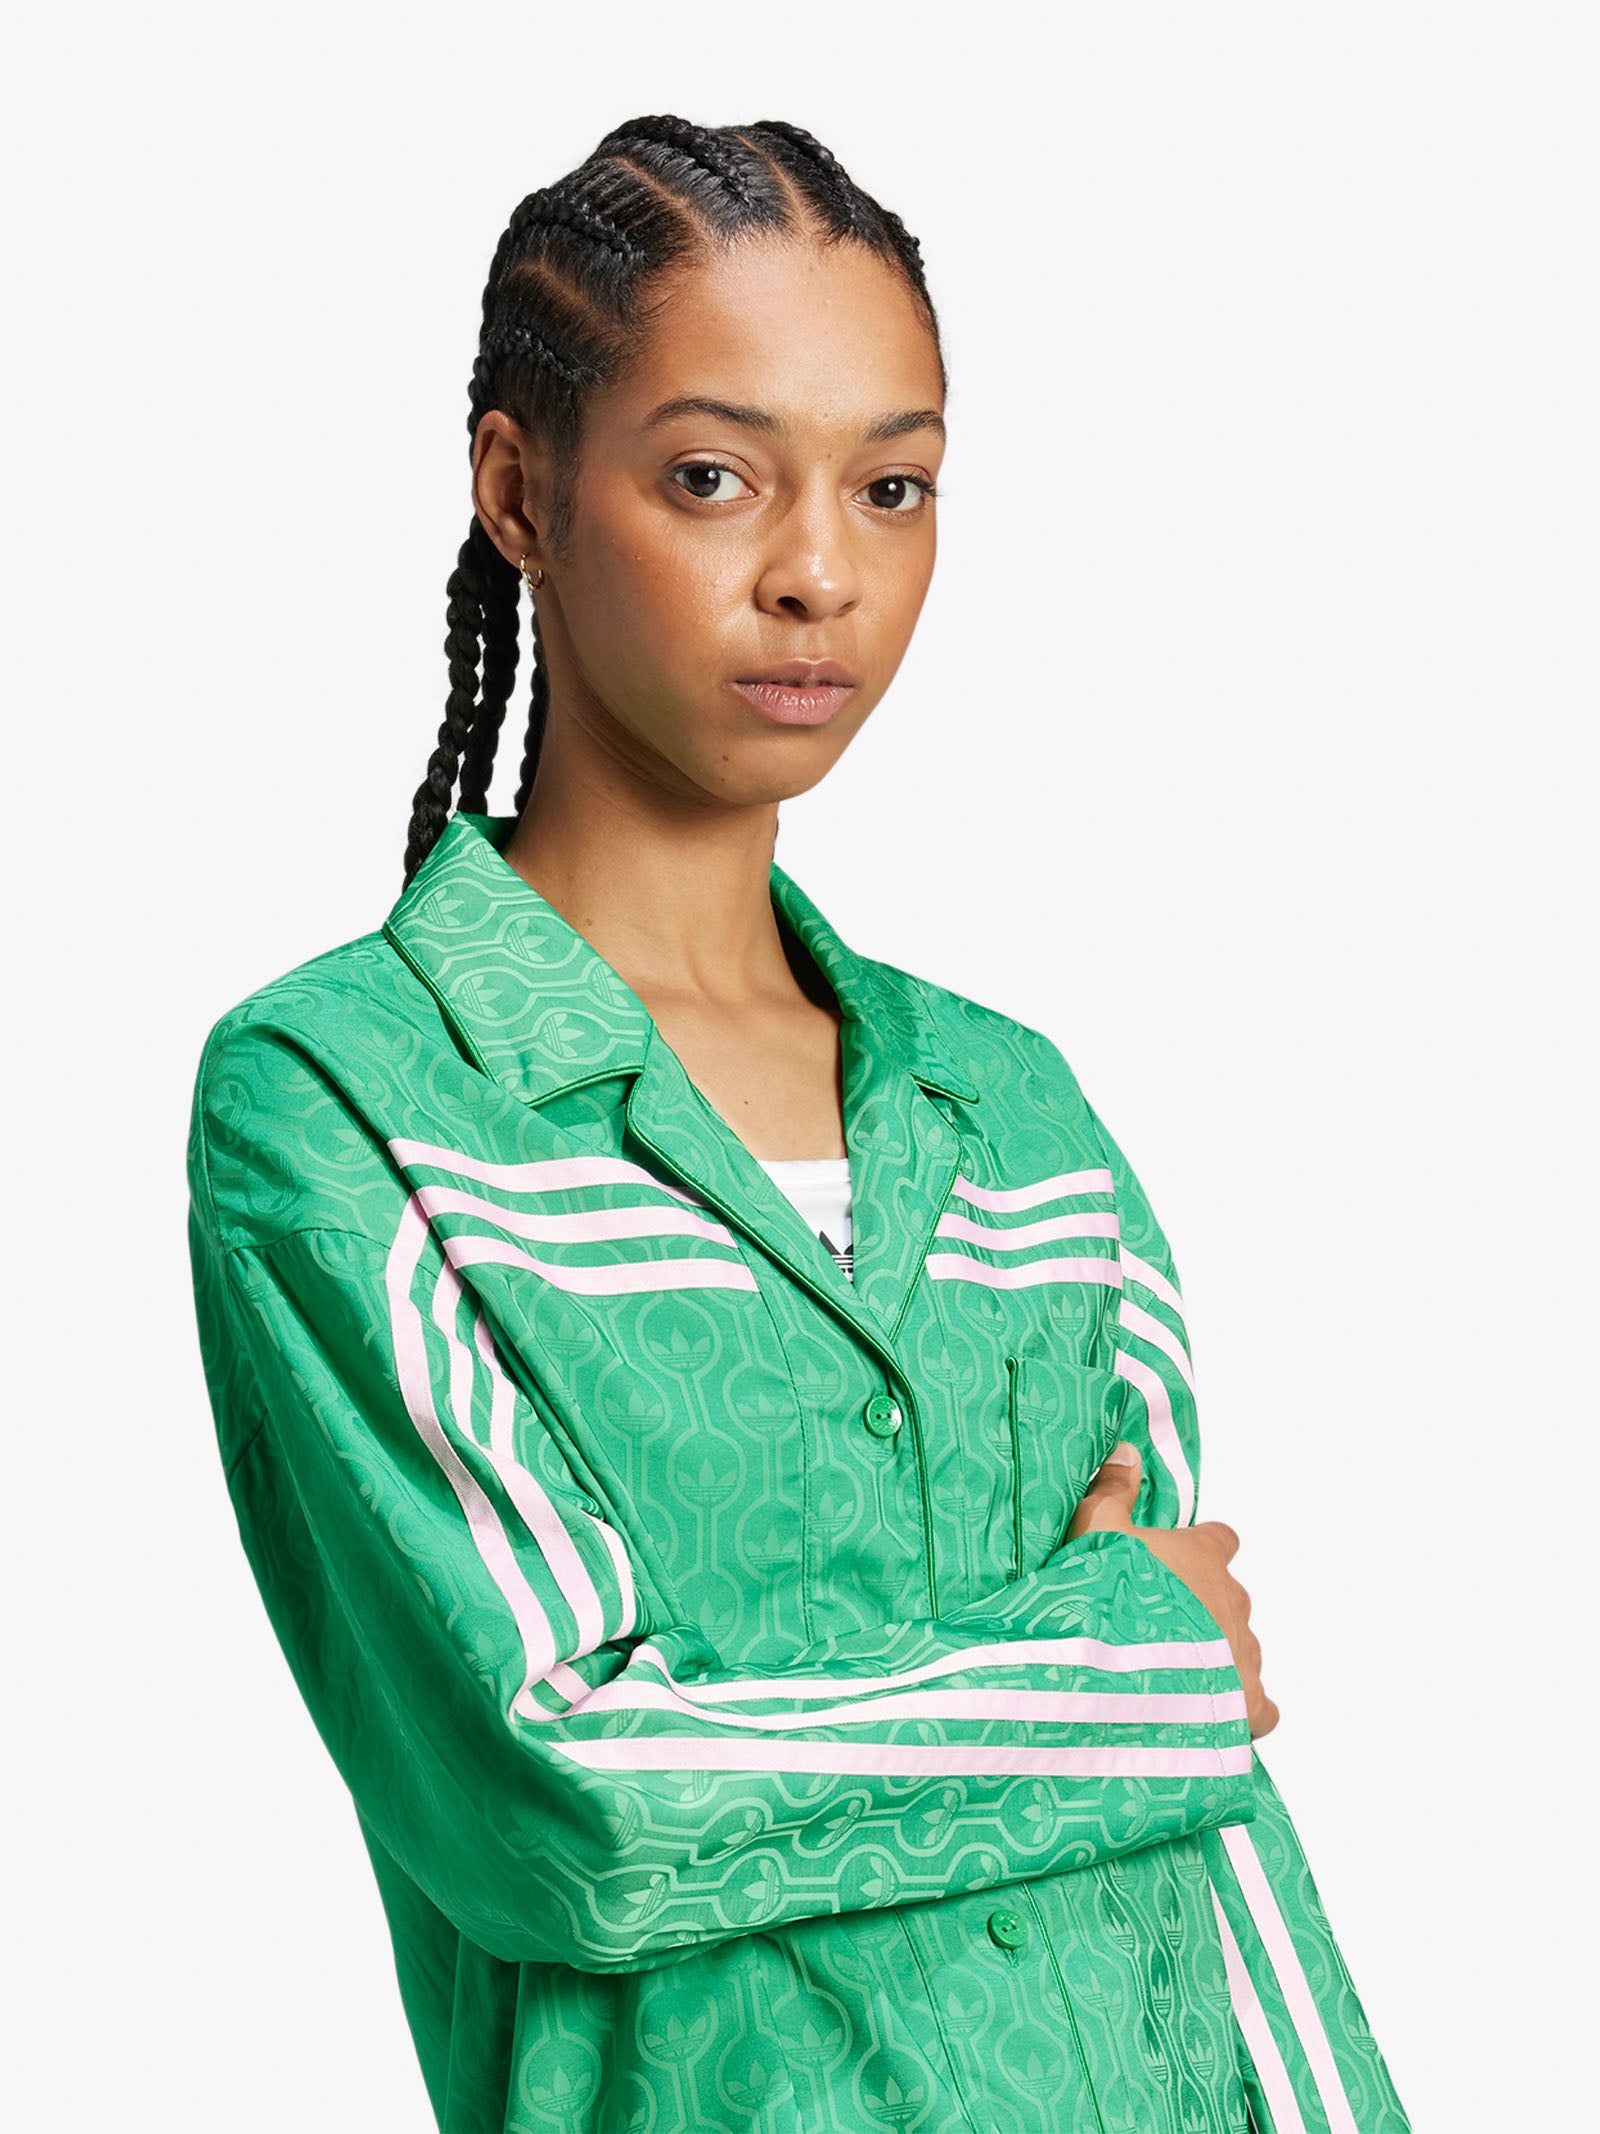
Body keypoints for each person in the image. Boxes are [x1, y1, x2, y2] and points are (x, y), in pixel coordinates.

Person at [185, 113, 1411, 2134]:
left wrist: (1127, 1694)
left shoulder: (1011, 1114)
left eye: (892, 484)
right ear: (518, 488)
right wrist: (1119, 1664)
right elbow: (571, 1792)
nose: (819, 571)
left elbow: (1199, 1829)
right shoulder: (347, 1099)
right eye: (711, 475)